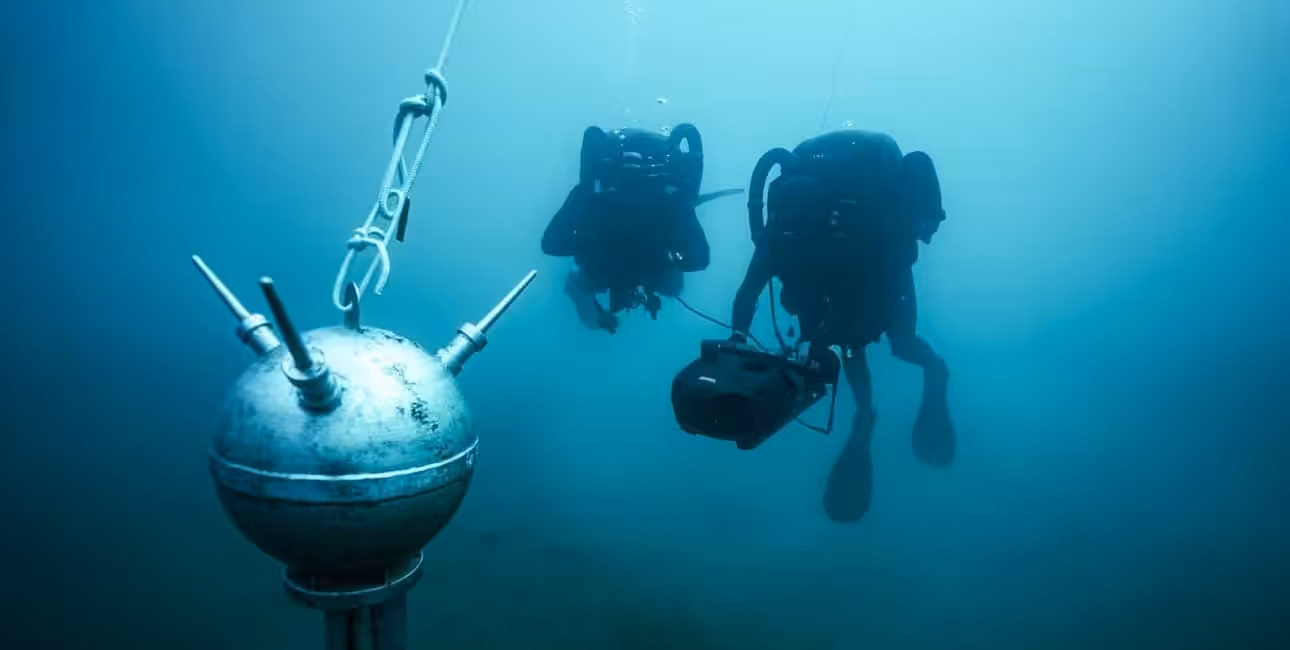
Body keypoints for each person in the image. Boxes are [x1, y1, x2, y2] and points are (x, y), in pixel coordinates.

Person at [727, 129, 954, 523]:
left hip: (876, 275)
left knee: (880, 342)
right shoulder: (780, 238)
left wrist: (737, 338)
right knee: (853, 341)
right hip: (849, 281)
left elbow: (748, 294)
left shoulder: (794, 240)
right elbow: (747, 294)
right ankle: (868, 412)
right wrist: (736, 340)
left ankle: (927, 377)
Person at [541, 123, 741, 333]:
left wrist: (591, 243)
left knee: (581, 282)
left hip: (632, 262)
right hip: (640, 262)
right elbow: (700, 257)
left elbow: (550, 243)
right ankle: (601, 316)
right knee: (670, 285)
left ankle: (600, 317)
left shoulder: (597, 196)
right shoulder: (667, 199)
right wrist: (667, 257)